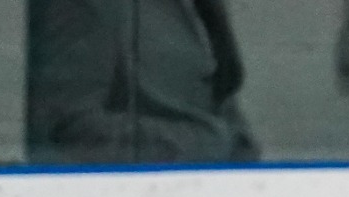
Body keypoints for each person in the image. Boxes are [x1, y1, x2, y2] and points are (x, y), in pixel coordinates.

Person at [26, 0, 257, 164]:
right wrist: (201, 144)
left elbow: (221, 106)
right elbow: (65, 129)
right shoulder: (89, 6)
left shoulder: (193, 9)